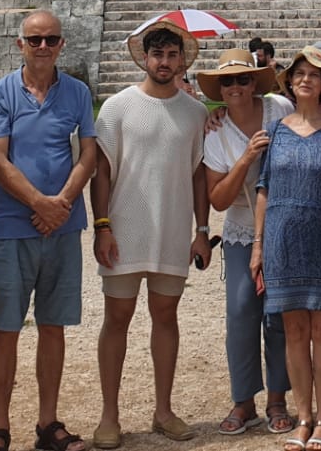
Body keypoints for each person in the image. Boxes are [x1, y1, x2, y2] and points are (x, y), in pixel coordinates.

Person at [91, 22, 213, 448]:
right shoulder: (117, 107)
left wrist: (202, 230)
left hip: (174, 228)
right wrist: (102, 226)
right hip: (124, 228)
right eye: (157, 54)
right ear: (144, 57)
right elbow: (101, 170)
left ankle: (163, 409)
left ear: (182, 60)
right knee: (117, 320)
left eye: (171, 55)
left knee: (166, 318)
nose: (164, 62)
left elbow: (199, 175)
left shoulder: (195, 112)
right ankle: (110, 414)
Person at [0, 11, 98, 451]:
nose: (43, 47)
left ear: (62, 44)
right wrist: (40, 204)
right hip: (13, 226)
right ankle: (0, 425)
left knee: (54, 326)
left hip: (63, 225)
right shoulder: (1, 93)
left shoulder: (78, 93)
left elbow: (88, 154)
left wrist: (61, 204)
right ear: (20, 45)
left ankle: (48, 422)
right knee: (6, 327)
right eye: (35, 40)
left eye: (51, 39)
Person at [252, 46, 321, 451]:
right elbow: (263, 191)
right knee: (293, 331)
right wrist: (257, 246)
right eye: (299, 73)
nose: (306, 79)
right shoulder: (275, 131)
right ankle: (302, 415)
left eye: (315, 74)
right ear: (289, 81)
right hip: (282, 239)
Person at [202, 47, 295, 437]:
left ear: (255, 81)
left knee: (278, 317)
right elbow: (218, 199)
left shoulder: (280, 108)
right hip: (241, 227)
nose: (236, 86)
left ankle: (277, 398)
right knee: (241, 314)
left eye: (243, 78)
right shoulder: (216, 130)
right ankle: (244, 399)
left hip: (284, 224)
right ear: (220, 89)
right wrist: (245, 158)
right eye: (228, 80)